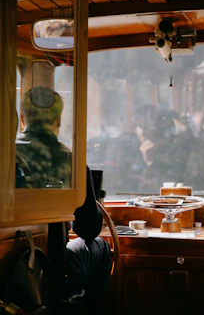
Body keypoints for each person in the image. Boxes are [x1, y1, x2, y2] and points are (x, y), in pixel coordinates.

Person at [16, 86, 111, 315]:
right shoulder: (72, 162)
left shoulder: (5, 155)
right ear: (59, 120)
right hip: (49, 270)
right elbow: (88, 230)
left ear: (22, 119)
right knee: (102, 247)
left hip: (10, 267)